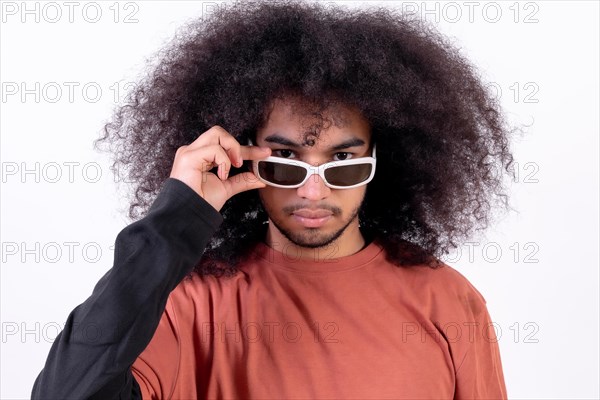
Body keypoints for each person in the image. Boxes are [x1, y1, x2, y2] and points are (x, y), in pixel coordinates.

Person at [32, 1, 513, 398]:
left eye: (343, 162)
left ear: (384, 160)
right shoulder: (191, 304)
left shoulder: (447, 300)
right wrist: (174, 218)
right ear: (242, 153)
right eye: (285, 160)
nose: (313, 190)